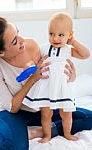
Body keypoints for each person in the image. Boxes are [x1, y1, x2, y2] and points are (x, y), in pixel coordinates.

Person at [0, 16, 92, 150]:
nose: (23, 40)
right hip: (12, 113)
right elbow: (12, 107)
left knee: (88, 118)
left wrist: (71, 77)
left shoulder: (31, 45)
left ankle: (42, 131)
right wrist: (33, 79)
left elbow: (50, 74)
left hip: (40, 106)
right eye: (15, 41)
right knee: (18, 146)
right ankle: (31, 133)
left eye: (18, 32)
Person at [22, 12, 90, 143]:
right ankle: (47, 135)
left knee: (66, 113)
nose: (55, 38)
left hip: (62, 87)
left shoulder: (68, 49)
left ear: (69, 35)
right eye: (51, 34)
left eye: (61, 35)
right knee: (46, 114)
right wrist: (28, 65)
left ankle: (67, 133)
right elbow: (33, 60)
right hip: (47, 86)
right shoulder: (43, 48)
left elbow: (85, 54)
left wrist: (74, 41)